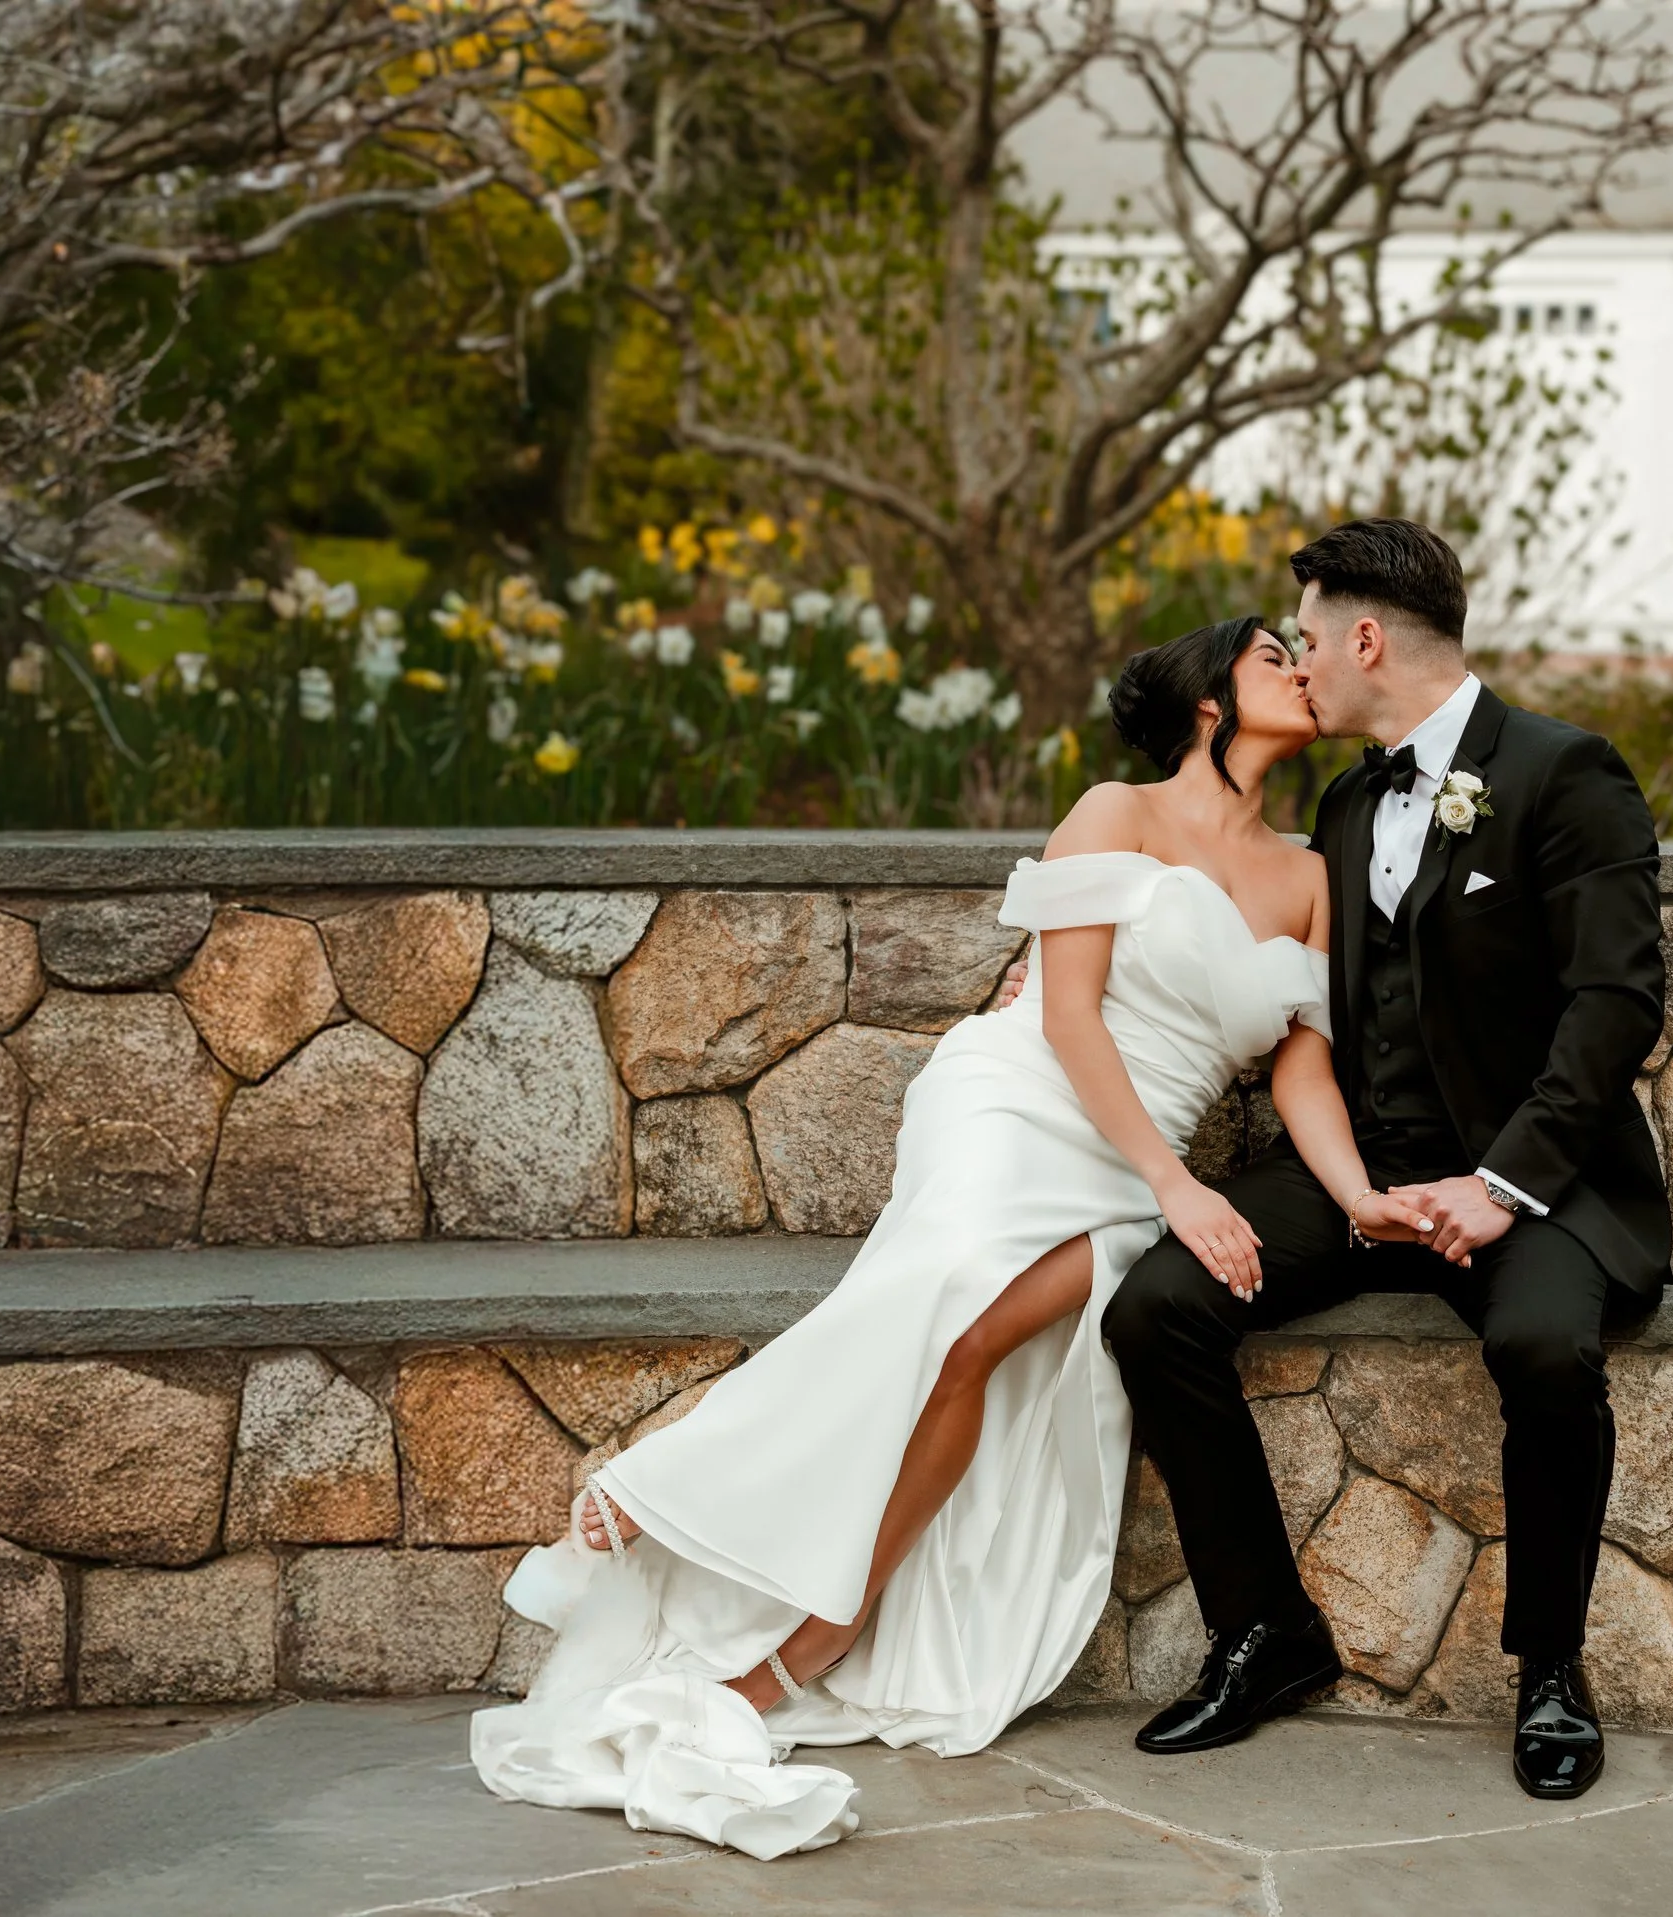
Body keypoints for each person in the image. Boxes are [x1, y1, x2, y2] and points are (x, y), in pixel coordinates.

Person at [469, 615, 1435, 1858]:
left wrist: (1354, 1200)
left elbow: (1303, 1071)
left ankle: (808, 1649)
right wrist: (1180, 1187)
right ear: (1209, 702)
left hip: (1143, 1168)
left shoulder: (1306, 872)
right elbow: (1072, 1018)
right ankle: (670, 1487)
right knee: (943, 1287)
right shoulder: (1113, 813)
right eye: (1271, 656)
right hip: (1023, 1099)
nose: (1301, 670)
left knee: (980, 1345)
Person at [1077, 518, 1672, 1799]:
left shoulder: (1570, 774)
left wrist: (1502, 1183)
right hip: (1365, 1168)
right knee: (1160, 1309)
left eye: (1305, 635)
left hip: (1535, 1182)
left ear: (1363, 637)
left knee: (1544, 1349)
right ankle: (1266, 1632)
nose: (1299, 662)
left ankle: (1552, 1673)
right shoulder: (1345, 804)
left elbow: (1614, 1004)